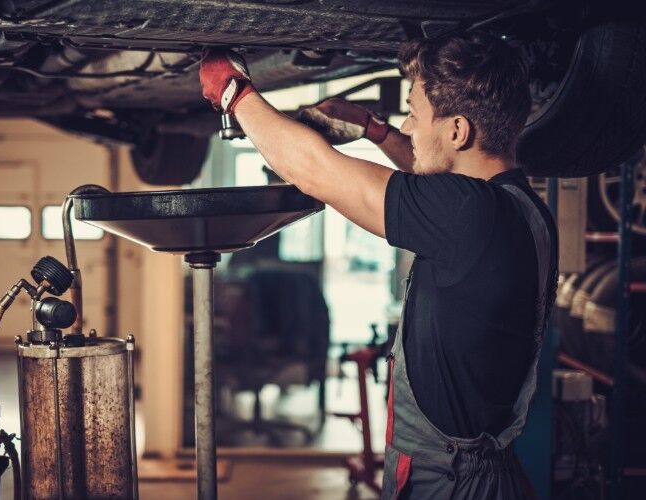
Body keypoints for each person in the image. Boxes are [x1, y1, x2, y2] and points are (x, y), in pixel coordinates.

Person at [199, 31, 558, 499]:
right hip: (477, 468)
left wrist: (234, 92)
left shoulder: (468, 214)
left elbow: (313, 169)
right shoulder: (516, 205)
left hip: (448, 481)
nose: (408, 127)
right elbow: (427, 177)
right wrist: (376, 131)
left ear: (457, 131)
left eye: (413, 114)